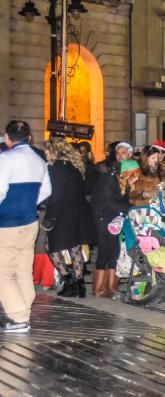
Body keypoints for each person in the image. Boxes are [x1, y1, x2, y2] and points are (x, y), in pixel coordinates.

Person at [0, 121, 53, 332]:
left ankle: (19, 317)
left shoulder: (6, 158)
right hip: (30, 221)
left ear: (7, 137)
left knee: (3, 273)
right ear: (29, 138)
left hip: (8, 223)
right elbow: (47, 190)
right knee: (23, 269)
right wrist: (29, 203)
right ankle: (25, 311)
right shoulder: (39, 159)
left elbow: (0, 191)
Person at [42, 138, 96, 298]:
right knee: (75, 247)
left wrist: (49, 215)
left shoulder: (55, 168)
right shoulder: (75, 166)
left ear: (54, 150)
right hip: (78, 211)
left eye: (47, 150)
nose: (45, 153)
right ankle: (79, 285)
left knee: (50, 246)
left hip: (62, 212)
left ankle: (68, 279)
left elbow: (55, 194)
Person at [89, 160, 137, 298]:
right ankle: (99, 288)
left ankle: (112, 287)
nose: (134, 178)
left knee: (115, 251)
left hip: (113, 217)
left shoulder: (120, 181)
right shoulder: (109, 180)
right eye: (133, 175)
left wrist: (132, 207)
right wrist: (129, 209)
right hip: (102, 218)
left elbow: (121, 201)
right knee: (105, 250)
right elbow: (108, 202)